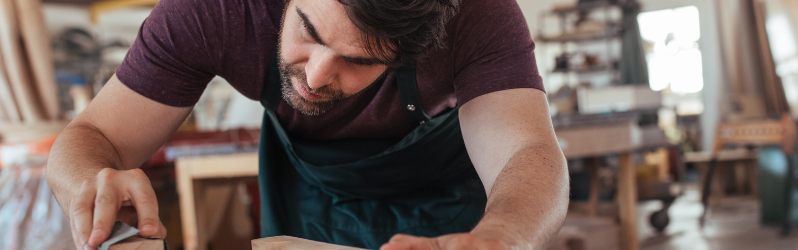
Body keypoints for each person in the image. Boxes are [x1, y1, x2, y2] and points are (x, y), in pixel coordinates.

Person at [45, 0, 569, 249]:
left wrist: (502, 238)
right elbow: (93, 138)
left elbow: (527, 152)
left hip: (449, 206)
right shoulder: (213, 10)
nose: (316, 76)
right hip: (310, 197)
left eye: (359, 60)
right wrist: (90, 184)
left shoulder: (479, 15)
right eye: (309, 30)